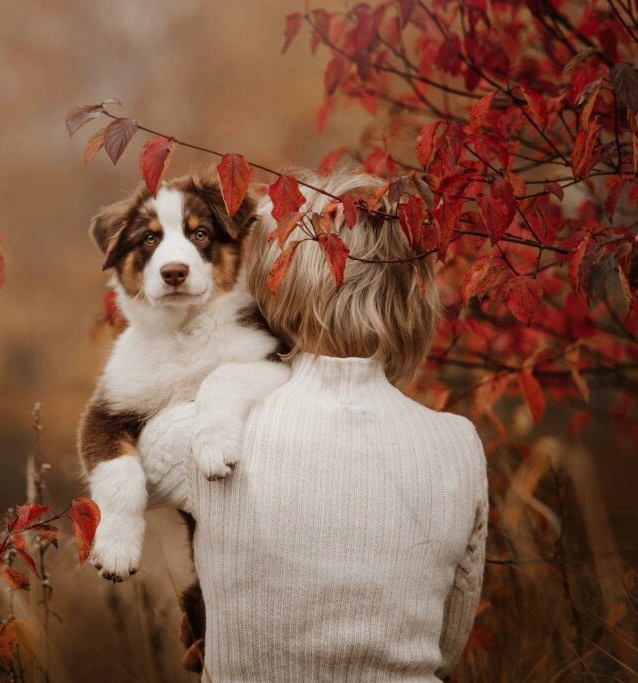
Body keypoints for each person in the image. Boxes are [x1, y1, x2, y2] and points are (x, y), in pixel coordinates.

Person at [139, 171, 488, 681]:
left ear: (271, 289)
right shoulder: (459, 446)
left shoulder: (200, 429)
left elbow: (118, 482)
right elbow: (445, 649)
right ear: (412, 297)